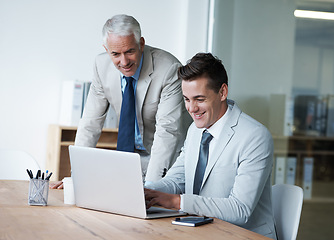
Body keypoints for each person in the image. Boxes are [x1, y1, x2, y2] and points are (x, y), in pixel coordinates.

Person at [145, 53, 277, 239]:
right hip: (202, 230)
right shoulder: (195, 130)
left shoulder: (255, 137)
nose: (191, 108)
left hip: (243, 235)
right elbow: (176, 180)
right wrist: (146, 190)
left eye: (199, 99)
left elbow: (240, 210)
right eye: (187, 99)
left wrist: (176, 201)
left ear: (222, 92)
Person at [50, 14, 190, 189]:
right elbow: (90, 124)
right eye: (115, 54)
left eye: (130, 51)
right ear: (106, 49)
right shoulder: (101, 66)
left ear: (141, 43)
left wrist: (151, 189)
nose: (124, 62)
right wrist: (77, 176)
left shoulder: (169, 69)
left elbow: (168, 132)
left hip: (167, 162)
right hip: (129, 159)